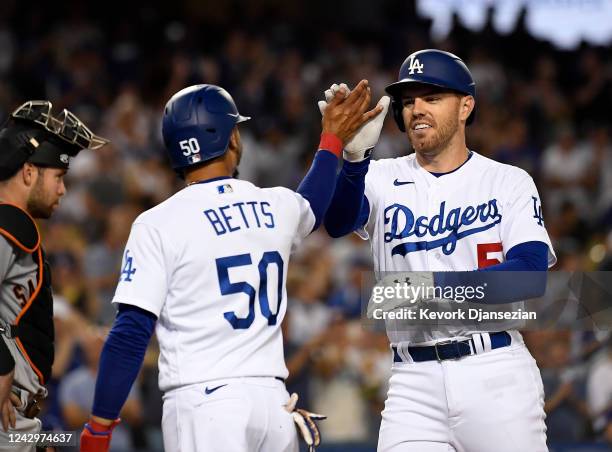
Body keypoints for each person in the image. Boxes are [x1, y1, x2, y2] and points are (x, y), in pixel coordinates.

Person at [79, 82, 383, 452]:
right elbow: (315, 205)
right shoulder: (273, 204)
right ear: (232, 139)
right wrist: (331, 140)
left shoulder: (157, 222)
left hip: (205, 404)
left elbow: (131, 331)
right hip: (274, 405)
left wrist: (99, 424)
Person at [323, 49, 557, 451]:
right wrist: (354, 159)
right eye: (409, 100)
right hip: (412, 382)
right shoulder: (380, 175)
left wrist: (430, 289)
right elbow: (337, 221)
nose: (417, 109)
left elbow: (528, 275)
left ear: (466, 106)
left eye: (432, 98)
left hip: (494, 370)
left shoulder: (507, 181)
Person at [0, 100, 107, 450]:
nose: (63, 190)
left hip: (21, 417)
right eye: (58, 177)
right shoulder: (9, 223)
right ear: (29, 172)